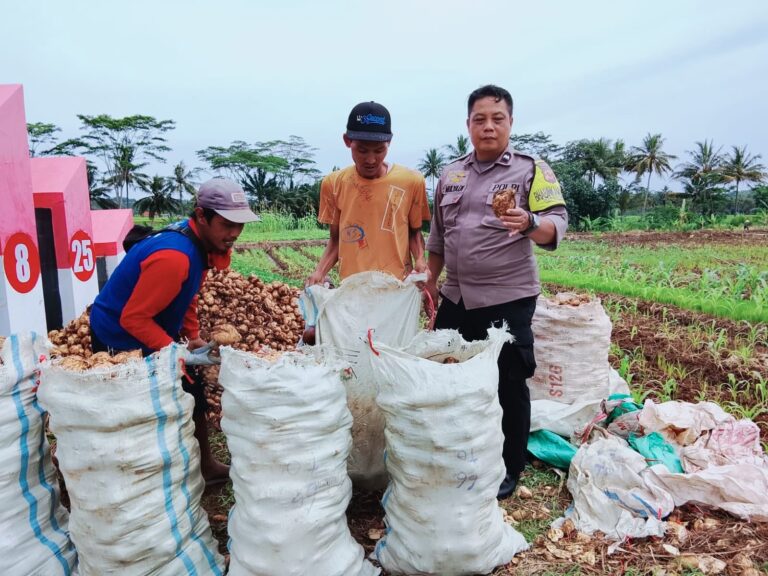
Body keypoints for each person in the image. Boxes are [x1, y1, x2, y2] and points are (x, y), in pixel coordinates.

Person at [425, 85, 568, 499]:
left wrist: (527, 222)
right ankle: (462, 451)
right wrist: (430, 280)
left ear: (510, 122)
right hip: (457, 298)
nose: (488, 126)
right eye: (479, 119)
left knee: (509, 383)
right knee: (451, 376)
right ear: (468, 124)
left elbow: (555, 226)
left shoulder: (529, 169)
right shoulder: (451, 174)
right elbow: (438, 236)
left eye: (497, 118)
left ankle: (509, 466)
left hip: (508, 297)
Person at [89, 178, 260, 486]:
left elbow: (188, 293)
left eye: (240, 225)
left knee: (190, 389)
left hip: (146, 324)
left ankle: (205, 466)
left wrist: (192, 337)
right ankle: (145, 476)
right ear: (202, 215)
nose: (234, 233)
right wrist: (177, 353)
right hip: (117, 334)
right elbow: (134, 319)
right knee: (141, 405)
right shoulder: (174, 256)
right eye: (227, 224)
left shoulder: (198, 242)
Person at [307, 101, 431, 286]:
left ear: (389, 142)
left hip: (396, 287)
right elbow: (336, 239)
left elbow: (414, 233)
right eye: (362, 150)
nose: (371, 159)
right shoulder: (333, 184)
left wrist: (421, 261)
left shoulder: (411, 181)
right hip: (352, 288)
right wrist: (319, 272)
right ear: (347, 141)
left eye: (379, 150)